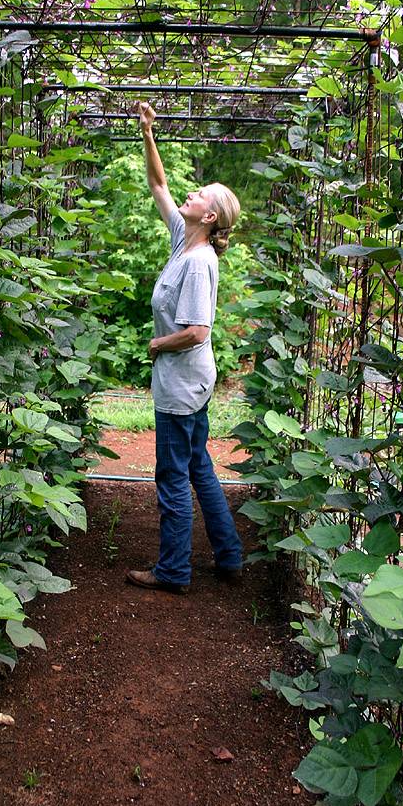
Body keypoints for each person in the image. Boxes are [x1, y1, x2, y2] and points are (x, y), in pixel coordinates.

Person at [125, 101, 244, 595]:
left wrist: (156, 343)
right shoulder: (183, 238)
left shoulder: (198, 263)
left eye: (200, 194)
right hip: (191, 382)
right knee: (198, 465)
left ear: (210, 214)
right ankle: (230, 555)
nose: (189, 193)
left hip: (182, 382)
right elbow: (159, 186)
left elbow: (197, 330)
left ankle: (173, 570)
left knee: (173, 475)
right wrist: (148, 133)